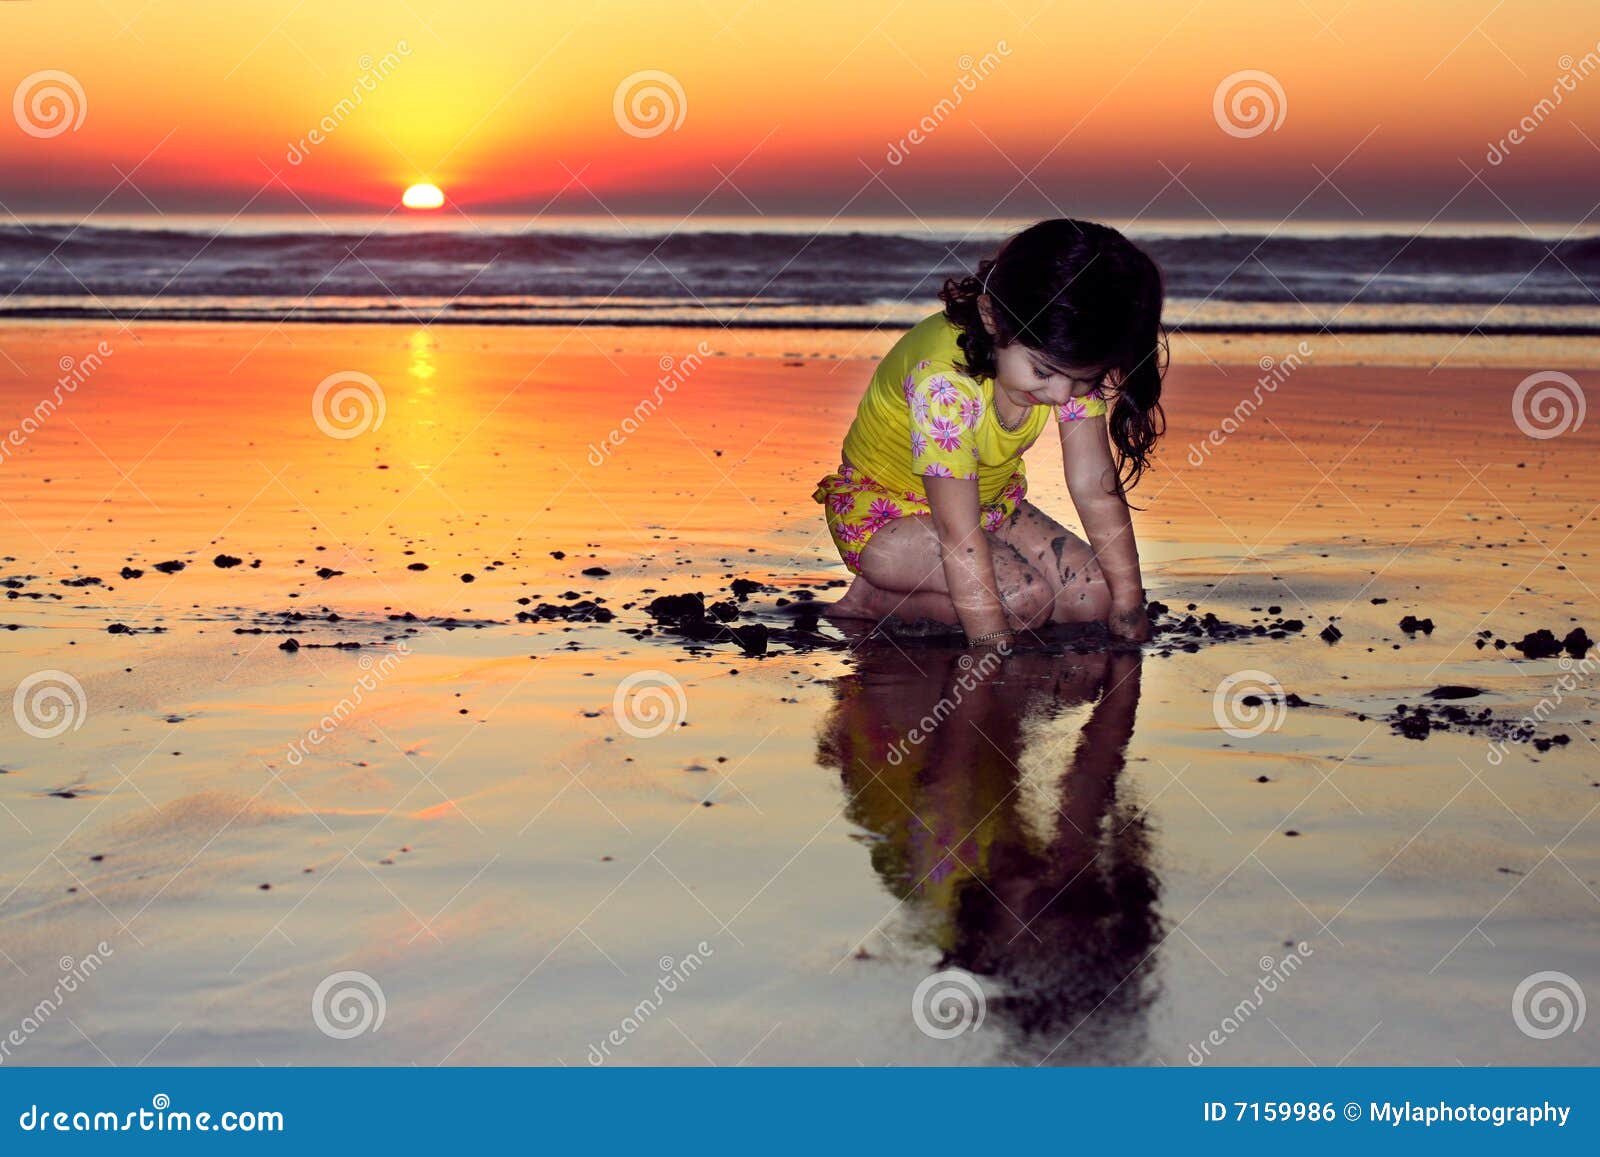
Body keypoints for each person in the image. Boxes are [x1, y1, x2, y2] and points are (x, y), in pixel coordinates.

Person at [816, 218, 1167, 646]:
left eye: (1083, 380)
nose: (1061, 395)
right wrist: (988, 645)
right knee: (1024, 602)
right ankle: (874, 599)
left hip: (989, 507)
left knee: (1094, 597)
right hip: (887, 519)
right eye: (1043, 372)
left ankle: (958, 591)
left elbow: (1094, 488)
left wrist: (1129, 605)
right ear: (991, 318)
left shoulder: (1069, 357)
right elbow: (957, 534)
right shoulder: (945, 384)